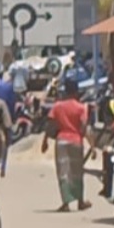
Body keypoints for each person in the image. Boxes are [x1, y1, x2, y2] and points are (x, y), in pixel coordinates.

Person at [42, 78, 91, 212]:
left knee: (63, 172)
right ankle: (80, 201)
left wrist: (45, 141)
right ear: (76, 92)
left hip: (61, 141)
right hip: (76, 141)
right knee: (78, 172)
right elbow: (84, 127)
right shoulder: (81, 107)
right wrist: (91, 145)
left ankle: (66, 203)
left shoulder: (57, 106)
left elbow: (50, 124)